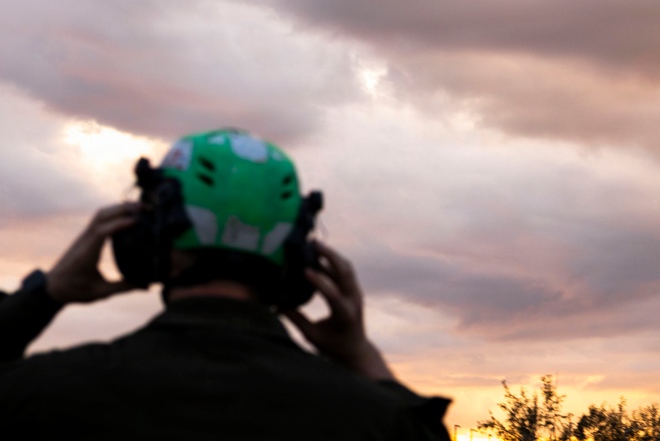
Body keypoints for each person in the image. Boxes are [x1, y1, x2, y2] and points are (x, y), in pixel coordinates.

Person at [0, 128, 450, 440]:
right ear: (298, 253)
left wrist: (44, 295)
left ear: (145, 237)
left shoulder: (39, 393)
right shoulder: (377, 421)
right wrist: (361, 355)